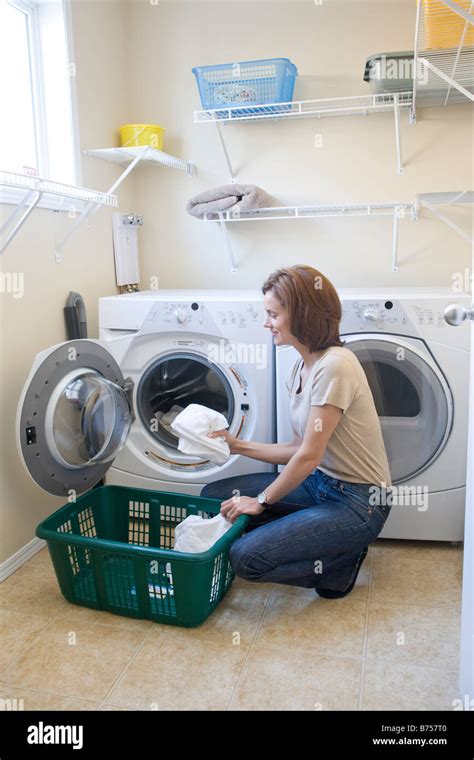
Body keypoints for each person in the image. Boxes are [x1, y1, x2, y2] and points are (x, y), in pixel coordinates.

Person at [201, 265, 392, 598]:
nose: (266, 323)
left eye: (273, 314)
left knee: (245, 559)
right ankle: (319, 539)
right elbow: (296, 447)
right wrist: (235, 445)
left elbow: (309, 455)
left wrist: (260, 501)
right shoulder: (301, 368)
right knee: (214, 498)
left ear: (302, 315)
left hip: (359, 503)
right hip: (319, 483)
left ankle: (338, 565)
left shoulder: (336, 365)